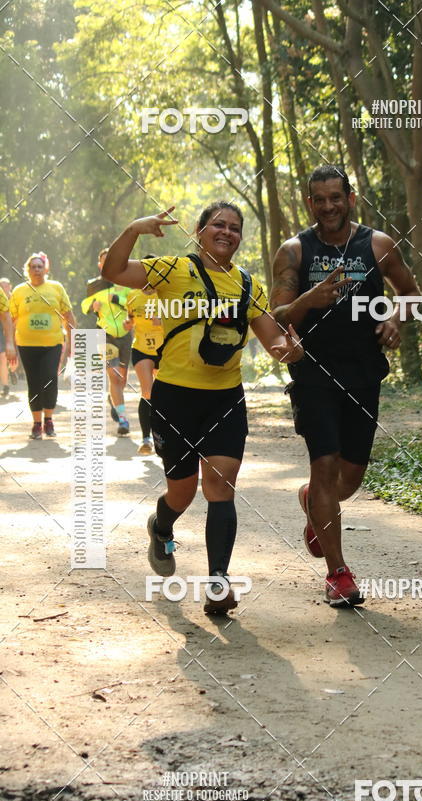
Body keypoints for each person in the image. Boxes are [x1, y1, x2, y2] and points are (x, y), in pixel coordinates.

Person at [102, 201, 303, 614]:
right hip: (174, 398)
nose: (226, 232)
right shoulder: (172, 269)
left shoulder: (248, 286)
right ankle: (161, 528)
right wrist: (134, 228)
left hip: (225, 399)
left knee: (220, 485)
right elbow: (114, 271)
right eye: (218, 224)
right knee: (182, 491)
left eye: (234, 227)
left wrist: (291, 351)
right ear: (200, 231)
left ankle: (218, 583)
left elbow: (273, 343)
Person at [270, 164, 420, 608]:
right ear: (309, 203)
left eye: (336, 197)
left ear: (350, 198)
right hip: (314, 374)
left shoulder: (377, 245)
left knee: (348, 479)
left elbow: (412, 294)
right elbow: (276, 318)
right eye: (320, 199)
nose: (329, 206)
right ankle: (338, 573)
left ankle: (313, 504)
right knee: (324, 465)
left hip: (364, 372)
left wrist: (396, 318)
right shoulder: (294, 251)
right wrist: (305, 301)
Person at [10, 253, 75, 438]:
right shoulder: (19, 291)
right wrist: (10, 346)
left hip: (52, 343)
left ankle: (49, 420)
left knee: (49, 378)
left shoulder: (56, 288)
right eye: (33, 267)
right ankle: (37, 424)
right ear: (27, 270)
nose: (37, 270)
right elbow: (12, 320)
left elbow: (68, 316)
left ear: (46, 269)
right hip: (27, 344)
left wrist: (72, 343)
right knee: (34, 383)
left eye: (40, 266)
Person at [82, 248, 131, 435]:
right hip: (104, 334)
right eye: (104, 261)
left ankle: (115, 400)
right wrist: (92, 306)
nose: (108, 263)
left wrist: (116, 298)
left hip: (125, 334)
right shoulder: (93, 285)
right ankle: (124, 421)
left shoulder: (125, 281)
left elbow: (133, 302)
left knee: (122, 379)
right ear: (100, 264)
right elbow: (85, 305)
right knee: (115, 377)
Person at [124, 258, 163, 454]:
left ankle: (164, 435)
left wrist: (162, 321)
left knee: (165, 394)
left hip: (165, 350)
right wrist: (127, 324)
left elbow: (181, 319)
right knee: (147, 392)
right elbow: (130, 318)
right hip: (141, 349)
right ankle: (146, 439)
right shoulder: (133, 296)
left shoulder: (166, 294)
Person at [0, 280, 17, 397]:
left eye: (6, 286)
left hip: (8, 330)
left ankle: (6, 383)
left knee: (4, 357)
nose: (4, 287)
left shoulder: (14, 298)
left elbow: (8, 316)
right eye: (2, 286)